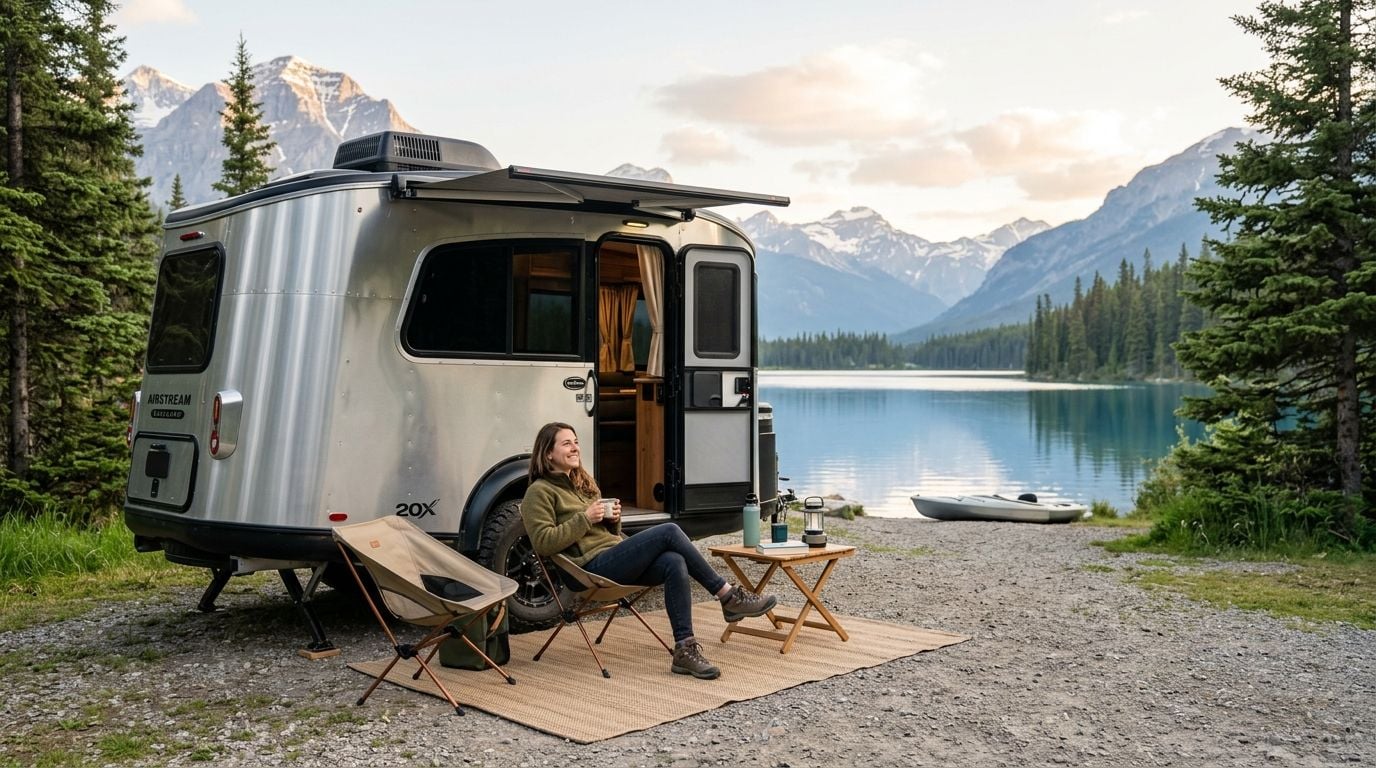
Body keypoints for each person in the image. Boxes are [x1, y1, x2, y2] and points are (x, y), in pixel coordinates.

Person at [520, 421, 776, 679]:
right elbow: (543, 543)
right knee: (669, 531)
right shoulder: (538, 492)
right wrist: (585, 518)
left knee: (674, 561)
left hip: (612, 556)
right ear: (548, 453)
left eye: (576, 442)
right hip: (588, 568)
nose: (575, 448)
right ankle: (728, 596)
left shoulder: (582, 483)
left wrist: (612, 520)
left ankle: (685, 650)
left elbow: (607, 535)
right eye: (567, 443)